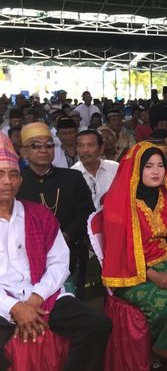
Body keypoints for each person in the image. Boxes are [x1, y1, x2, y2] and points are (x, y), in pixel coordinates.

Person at [0, 131, 111, 371]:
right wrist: (14, 307)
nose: (7, 181)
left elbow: (60, 262)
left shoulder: (38, 215)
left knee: (97, 324)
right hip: (2, 302)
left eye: (13, 174)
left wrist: (36, 297)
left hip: (41, 294)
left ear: (20, 180)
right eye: (0, 175)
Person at [100, 142, 167, 361]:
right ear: (136, 169)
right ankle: (163, 358)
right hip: (130, 273)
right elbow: (120, 251)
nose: (157, 171)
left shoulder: (165, 195)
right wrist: (153, 276)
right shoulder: (118, 202)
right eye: (149, 166)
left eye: (161, 165)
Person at [17, 123, 94, 297]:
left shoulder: (71, 177)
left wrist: (66, 236)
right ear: (23, 152)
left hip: (68, 247)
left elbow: (86, 212)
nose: (43, 150)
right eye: (36, 145)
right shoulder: (16, 182)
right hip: (24, 253)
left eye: (49, 145)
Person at [71, 130, 119, 210]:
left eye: (90, 145)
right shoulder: (71, 175)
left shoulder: (115, 168)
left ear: (101, 148)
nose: (85, 150)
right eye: (80, 146)